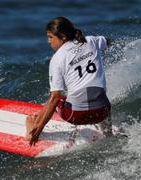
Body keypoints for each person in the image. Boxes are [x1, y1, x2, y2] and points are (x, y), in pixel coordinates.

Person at [26, 17, 112, 146]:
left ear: (63, 37)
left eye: (50, 37)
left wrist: (40, 127)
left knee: (58, 99)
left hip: (76, 115)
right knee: (101, 97)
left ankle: (31, 130)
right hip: (102, 112)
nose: (48, 41)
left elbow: (55, 97)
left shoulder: (57, 59)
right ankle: (109, 134)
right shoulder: (91, 41)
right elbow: (107, 41)